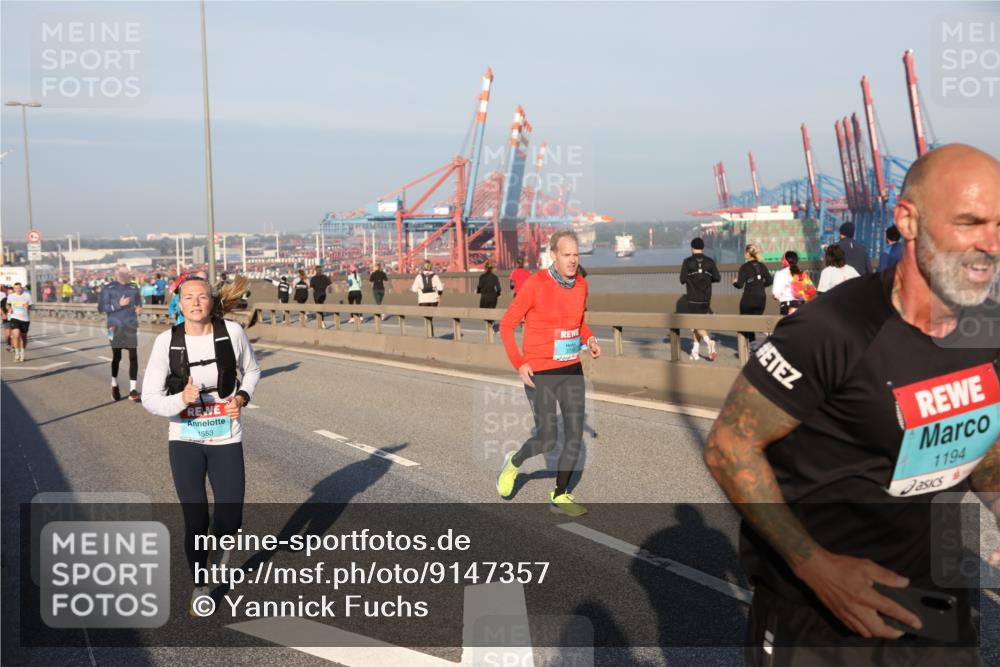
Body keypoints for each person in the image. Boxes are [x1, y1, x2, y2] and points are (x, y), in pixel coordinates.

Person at [704, 144, 1000, 666]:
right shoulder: (832, 329)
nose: (991, 245)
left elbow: (983, 439)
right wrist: (816, 568)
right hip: (822, 615)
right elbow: (730, 446)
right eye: (970, 223)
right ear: (907, 221)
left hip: (936, 604)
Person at [141, 275, 261, 615]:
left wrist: (242, 396)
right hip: (185, 440)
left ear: (211, 301)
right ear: (179, 303)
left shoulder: (232, 333)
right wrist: (182, 398)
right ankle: (200, 584)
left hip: (226, 437)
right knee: (195, 521)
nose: (196, 302)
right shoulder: (167, 342)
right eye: (188, 297)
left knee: (230, 518)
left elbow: (252, 371)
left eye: (202, 296)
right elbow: (150, 399)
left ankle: (219, 551)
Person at [496, 230, 602, 516]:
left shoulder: (581, 285)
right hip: (539, 371)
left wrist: (590, 339)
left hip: (571, 368)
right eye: (566, 255)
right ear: (553, 255)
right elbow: (507, 325)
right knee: (548, 438)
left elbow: (579, 323)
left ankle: (561, 493)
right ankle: (514, 463)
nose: (572, 260)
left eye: (576, 255)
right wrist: (519, 363)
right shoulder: (536, 284)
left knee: (574, 434)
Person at [98, 264, 144, 402]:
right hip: (114, 327)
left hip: (130, 325)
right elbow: (101, 308)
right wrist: (118, 304)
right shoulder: (108, 288)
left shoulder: (134, 287)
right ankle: (114, 384)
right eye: (126, 272)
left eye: (129, 272)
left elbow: (139, 303)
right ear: (118, 273)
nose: (129, 274)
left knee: (133, 356)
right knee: (117, 357)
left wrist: (139, 309)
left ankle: (133, 390)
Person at [679, 237, 721, 361]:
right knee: (700, 324)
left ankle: (709, 342)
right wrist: (707, 279)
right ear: (702, 247)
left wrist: (691, 279)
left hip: (692, 298)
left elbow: (682, 280)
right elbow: (717, 278)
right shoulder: (710, 261)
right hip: (706, 299)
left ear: (692, 247)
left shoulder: (687, 262)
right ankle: (695, 351)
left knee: (696, 324)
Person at [733, 243, 773, 352]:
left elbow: (740, 285)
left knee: (747, 322)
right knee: (756, 320)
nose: (744, 254)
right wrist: (760, 286)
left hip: (748, 299)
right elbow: (770, 281)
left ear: (749, 254)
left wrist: (734, 282)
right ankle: (766, 332)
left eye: (745, 252)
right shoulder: (762, 265)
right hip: (761, 298)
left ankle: (753, 347)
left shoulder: (744, 267)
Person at [771, 250, 815, 315]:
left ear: (784, 260)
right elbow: (812, 291)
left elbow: (775, 295)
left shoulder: (779, 273)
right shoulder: (803, 274)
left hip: (787, 306)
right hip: (801, 306)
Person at [5, 282, 31, 362]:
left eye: (19, 288)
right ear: (14, 289)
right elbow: (7, 304)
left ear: (21, 288)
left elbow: (31, 305)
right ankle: (17, 352)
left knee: (23, 337)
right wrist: (9, 308)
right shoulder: (11, 296)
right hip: (14, 318)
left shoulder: (27, 295)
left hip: (25, 319)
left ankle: (22, 352)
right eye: (16, 288)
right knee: (16, 335)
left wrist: (28, 306)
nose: (18, 289)